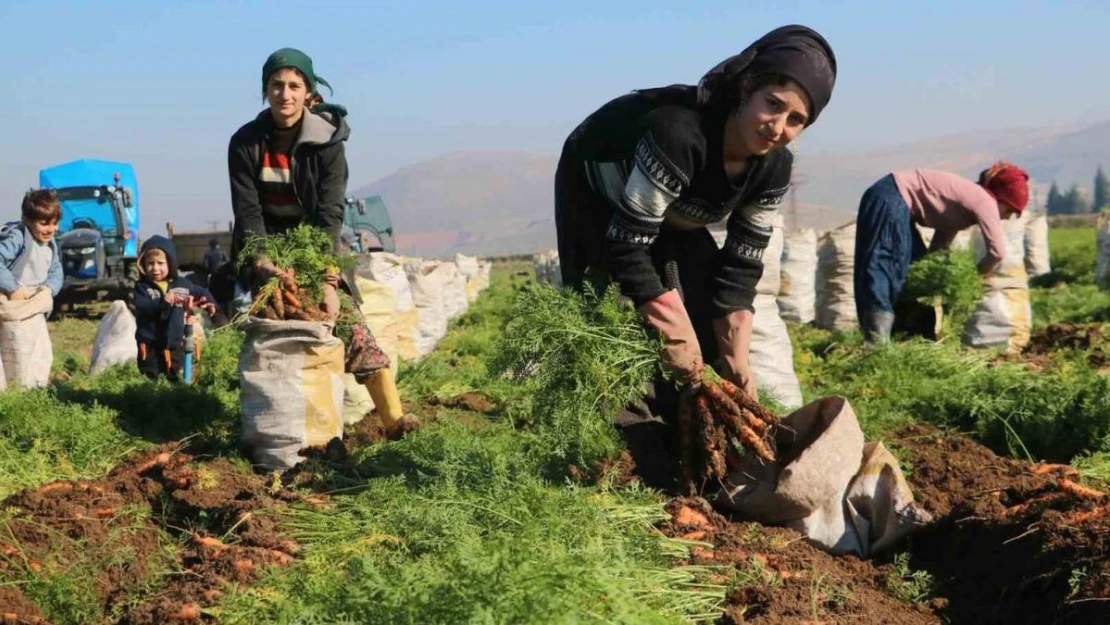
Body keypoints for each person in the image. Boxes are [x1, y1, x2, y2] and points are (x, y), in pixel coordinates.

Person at [555, 25, 837, 401]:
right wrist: (672, 329)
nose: (778, 127)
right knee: (613, 322)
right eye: (773, 104)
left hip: (673, 211)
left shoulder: (773, 167)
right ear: (747, 89)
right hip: (597, 196)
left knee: (703, 315)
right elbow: (626, 245)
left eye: (796, 120)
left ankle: (697, 423)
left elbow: (743, 261)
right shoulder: (681, 136)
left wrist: (736, 358)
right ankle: (624, 437)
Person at [227, 47, 413, 435]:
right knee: (264, 324)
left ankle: (395, 420)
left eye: (295, 85)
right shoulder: (245, 143)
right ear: (265, 91)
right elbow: (248, 214)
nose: (285, 94)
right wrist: (261, 263)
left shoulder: (327, 143)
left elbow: (329, 215)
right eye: (276, 85)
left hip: (316, 246)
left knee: (347, 321)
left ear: (308, 93)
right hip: (265, 249)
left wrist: (328, 279)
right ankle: (271, 427)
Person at [853, 161, 1030, 343]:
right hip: (891, 195)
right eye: (1009, 209)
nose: (1007, 217)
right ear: (999, 197)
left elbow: (940, 244)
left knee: (913, 273)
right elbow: (997, 252)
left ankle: (908, 341)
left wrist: (935, 276)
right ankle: (877, 343)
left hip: (894, 199)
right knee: (887, 265)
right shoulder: (985, 200)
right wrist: (975, 277)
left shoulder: (965, 205)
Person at [133, 236, 217, 381]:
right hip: (149, 343)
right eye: (150, 263)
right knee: (151, 376)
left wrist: (210, 303)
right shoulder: (142, 287)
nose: (155, 268)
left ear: (170, 264)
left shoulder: (182, 284)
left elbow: (201, 292)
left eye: (160, 263)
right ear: (143, 265)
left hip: (175, 342)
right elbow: (142, 306)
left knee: (175, 375)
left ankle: (174, 398)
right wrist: (162, 302)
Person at [0, 189, 63, 302]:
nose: (51, 230)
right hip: (12, 301)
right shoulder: (19, 237)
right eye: (44, 224)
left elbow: (56, 269)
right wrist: (13, 289)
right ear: (26, 220)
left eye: (55, 223)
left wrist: (49, 289)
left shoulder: (50, 243)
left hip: (35, 301)